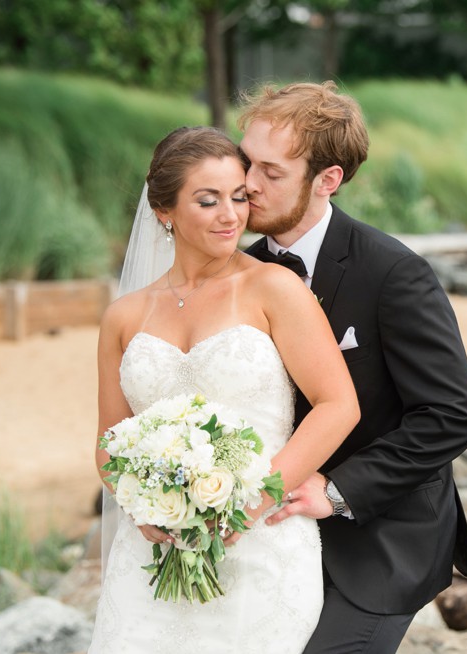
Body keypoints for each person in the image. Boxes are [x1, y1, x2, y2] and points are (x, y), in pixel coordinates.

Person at [89, 126, 359, 652]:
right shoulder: (123, 316)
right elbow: (108, 441)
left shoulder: (273, 288)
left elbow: (338, 405)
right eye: (208, 201)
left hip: (261, 543)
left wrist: (254, 502)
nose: (231, 215)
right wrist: (143, 507)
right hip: (153, 552)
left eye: (239, 197)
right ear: (164, 211)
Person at [238, 81, 467, 653]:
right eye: (246, 160)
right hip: (264, 528)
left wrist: (339, 489)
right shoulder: (238, 273)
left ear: (327, 181)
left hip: (380, 537)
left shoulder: (395, 274)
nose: (247, 184)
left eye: (271, 172)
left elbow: (450, 416)